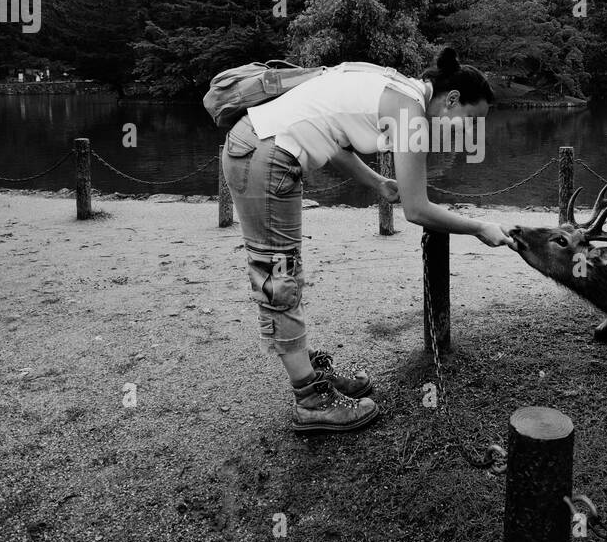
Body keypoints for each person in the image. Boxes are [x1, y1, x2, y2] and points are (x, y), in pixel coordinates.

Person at [219, 47, 516, 433]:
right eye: (469, 120)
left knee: (284, 272)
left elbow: (333, 139)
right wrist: (479, 228)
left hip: (262, 146)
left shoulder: (396, 85)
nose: (468, 131)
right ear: (453, 99)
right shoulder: (410, 113)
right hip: (266, 154)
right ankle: (311, 401)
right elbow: (417, 210)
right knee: (278, 278)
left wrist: (377, 182)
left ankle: (309, 375)